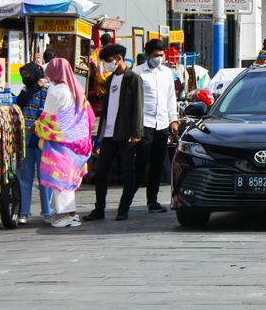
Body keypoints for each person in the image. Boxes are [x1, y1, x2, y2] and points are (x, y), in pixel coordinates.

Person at [86, 44, 144, 222]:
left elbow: (138, 106)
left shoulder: (133, 78)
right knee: (101, 172)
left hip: (126, 133)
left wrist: (136, 132)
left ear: (119, 59)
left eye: (109, 61)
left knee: (128, 172)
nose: (107, 65)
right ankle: (99, 209)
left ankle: (123, 209)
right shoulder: (110, 79)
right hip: (109, 133)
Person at [35, 58, 94, 228]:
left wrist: (38, 127)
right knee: (68, 177)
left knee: (60, 178)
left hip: (60, 141)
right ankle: (70, 213)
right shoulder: (77, 89)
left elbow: (47, 116)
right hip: (77, 141)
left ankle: (66, 215)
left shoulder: (56, 91)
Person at [133, 39, 179, 213]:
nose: (158, 58)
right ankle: (127, 199)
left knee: (157, 164)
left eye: (161, 55)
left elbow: (170, 98)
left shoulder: (167, 73)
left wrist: (173, 119)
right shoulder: (137, 73)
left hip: (162, 123)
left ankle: (152, 201)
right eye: (155, 55)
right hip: (144, 124)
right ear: (148, 55)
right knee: (141, 162)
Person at [15, 63, 53, 224]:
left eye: (27, 73)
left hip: (44, 136)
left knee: (45, 175)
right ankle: (24, 212)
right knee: (24, 175)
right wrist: (34, 86)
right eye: (23, 74)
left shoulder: (49, 88)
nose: (25, 77)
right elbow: (20, 103)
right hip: (26, 136)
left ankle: (47, 211)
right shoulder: (26, 89)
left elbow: (50, 110)